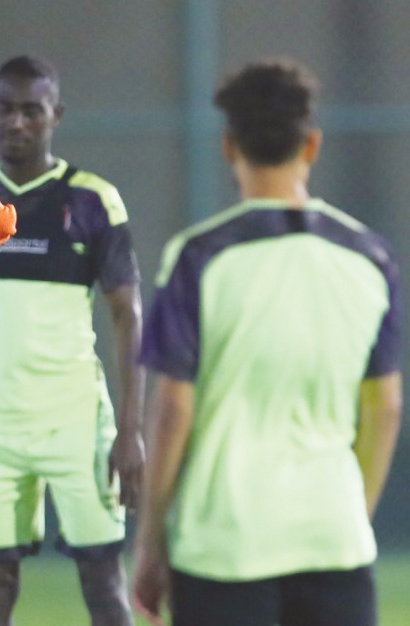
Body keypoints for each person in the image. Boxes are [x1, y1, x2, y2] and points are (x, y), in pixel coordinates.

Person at [133, 58, 402, 626]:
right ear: (313, 146)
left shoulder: (199, 257)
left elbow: (174, 410)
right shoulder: (370, 258)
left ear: (230, 147)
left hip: (224, 544)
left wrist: (151, 545)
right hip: (334, 538)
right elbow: (386, 407)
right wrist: (352, 511)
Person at [0, 54, 143, 626]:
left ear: (56, 115)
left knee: (104, 583)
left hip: (77, 423)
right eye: (6, 108)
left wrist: (132, 430)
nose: (17, 122)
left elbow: (128, 317)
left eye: (32, 109)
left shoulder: (93, 199)